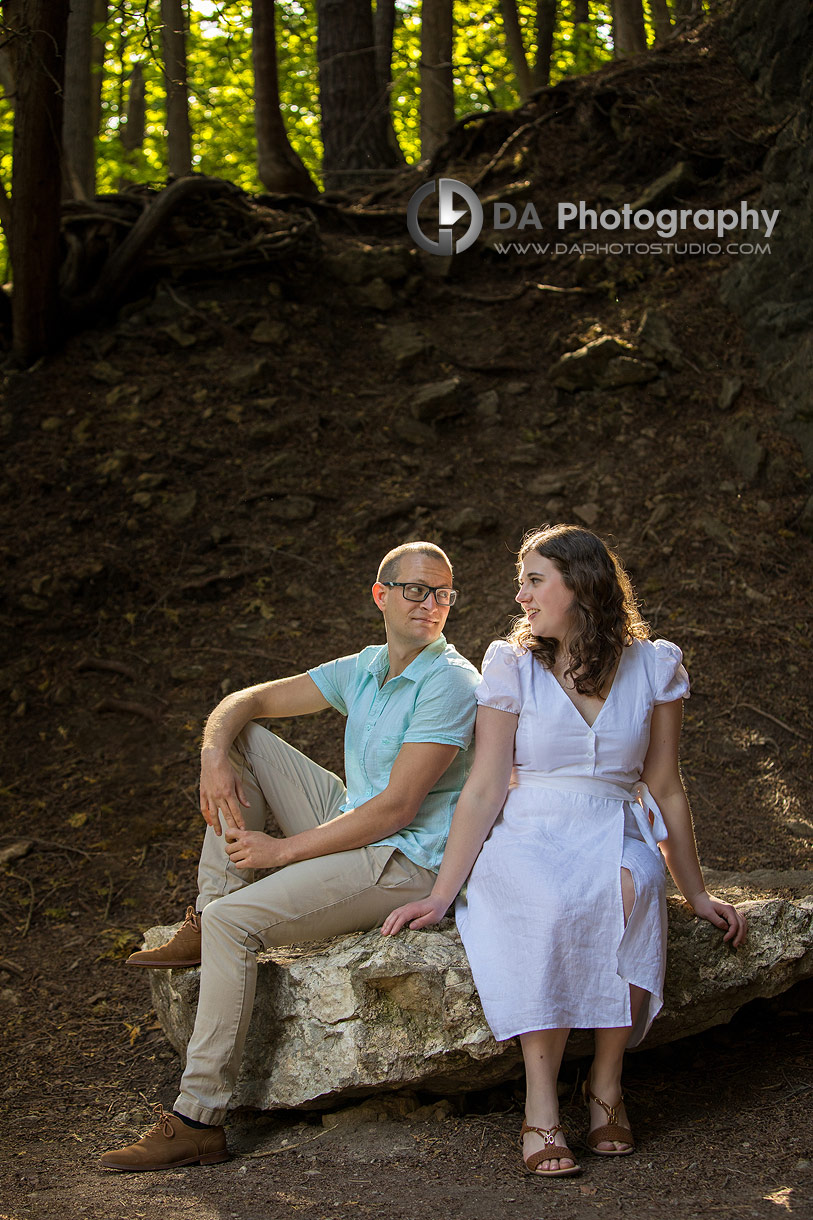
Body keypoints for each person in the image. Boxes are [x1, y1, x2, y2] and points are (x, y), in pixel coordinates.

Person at [101, 541, 479, 1172]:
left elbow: (396, 810)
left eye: (443, 593)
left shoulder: (452, 682)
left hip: (403, 860)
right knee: (243, 738)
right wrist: (212, 755)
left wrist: (279, 851)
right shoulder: (365, 666)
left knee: (236, 925)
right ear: (381, 596)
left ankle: (198, 1118)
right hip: (350, 817)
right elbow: (246, 702)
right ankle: (210, 912)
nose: (431, 604)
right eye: (416, 589)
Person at [382, 524, 747, 1178]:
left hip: (611, 817)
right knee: (550, 904)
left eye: (532, 580)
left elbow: (663, 783)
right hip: (528, 828)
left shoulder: (653, 664)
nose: (519, 595)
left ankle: (605, 1084)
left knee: (629, 890)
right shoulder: (512, 664)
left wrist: (695, 892)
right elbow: (486, 784)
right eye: (521, 581)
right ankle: (540, 1104)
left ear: (579, 584)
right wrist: (442, 891)